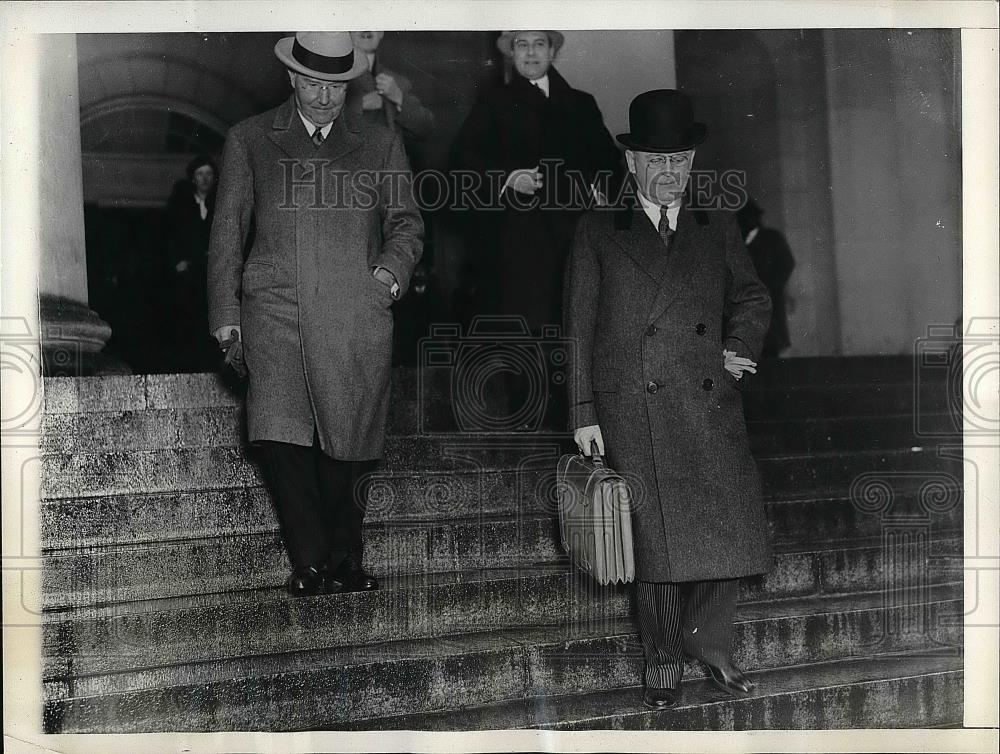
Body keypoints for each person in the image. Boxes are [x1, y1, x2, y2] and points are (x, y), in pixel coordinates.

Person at [564, 90, 773, 709]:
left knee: (724, 536)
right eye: (656, 160)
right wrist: (582, 414)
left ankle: (714, 650)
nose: (668, 173)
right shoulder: (599, 230)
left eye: (679, 160)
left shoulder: (718, 226)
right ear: (632, 165)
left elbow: (753, 297)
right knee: (653, 548)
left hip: (707, 405)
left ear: (691, 162)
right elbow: (577, 326)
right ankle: (663, 657)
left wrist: (737, 345)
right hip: (633, 406)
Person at [207, 32, 423, 597]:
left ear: (346, 85)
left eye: (334, 86)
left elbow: (406, 223)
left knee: (347, 440)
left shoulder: (378, 144)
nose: (324, 96)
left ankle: (346, 559)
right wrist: (225, 314)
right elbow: (228, 229)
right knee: (283, 439)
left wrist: (386, 276)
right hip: (273, 310)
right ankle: (309, 562)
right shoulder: (250, 139)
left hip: (355, 312)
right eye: (313, 83)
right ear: (292, 79)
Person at [451, 30, 622, 428]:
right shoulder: (494, 103)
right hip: (522, 239)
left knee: (578, 321)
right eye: (522, 45)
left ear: (552, 50)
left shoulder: (581, 103)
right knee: (527, 327)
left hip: (577, 233)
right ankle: (532, 426)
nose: (530, 53)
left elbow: (607, 160)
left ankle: (582, 424)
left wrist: (603, 191)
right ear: (511, 54)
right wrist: (508, 178)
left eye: (539, 44)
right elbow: (462, 161)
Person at [165, 154, 218, 372]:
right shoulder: (181, 206)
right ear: (193, 178)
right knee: (187, 315)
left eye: (208, 174)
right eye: (200, 174)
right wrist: (177, 261)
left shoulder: (220, 205)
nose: (205, 179)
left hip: (211, 272)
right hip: (188, 274)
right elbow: (169, 236)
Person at [736, 197, 795, 358]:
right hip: (745, 301)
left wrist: (770, 286)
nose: (744, 221)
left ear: (756, 218)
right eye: (742, 218)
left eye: (747, 217)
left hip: (769, 300)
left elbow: (786, 264)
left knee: (769, 345)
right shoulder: (737, 241)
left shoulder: (772, 238)